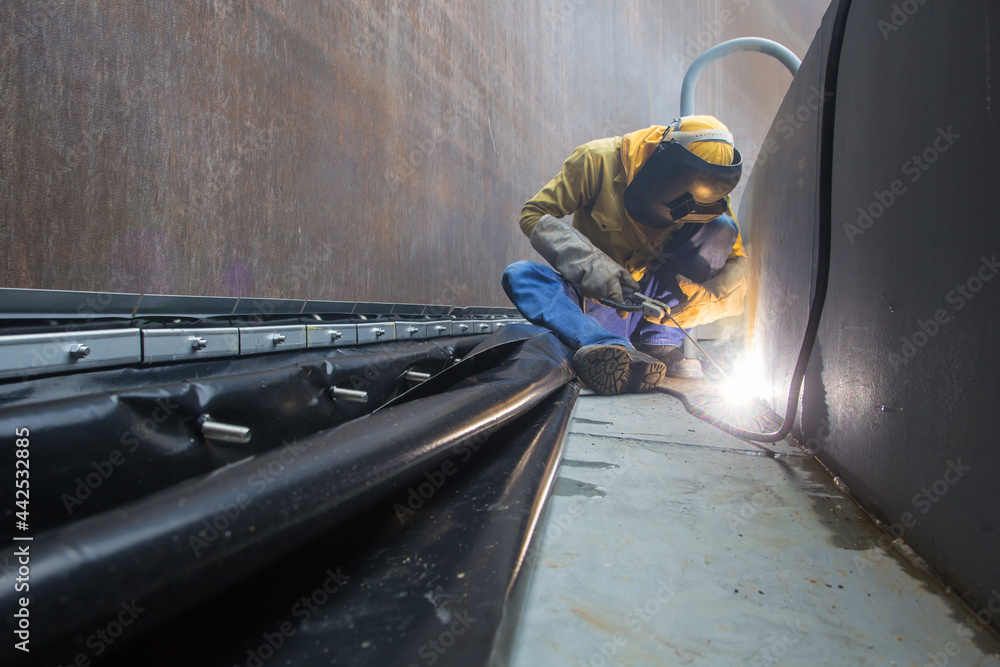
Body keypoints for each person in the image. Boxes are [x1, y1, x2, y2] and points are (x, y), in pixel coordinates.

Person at [502, 115, 748, 395]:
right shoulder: (597, 160)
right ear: (663, 162)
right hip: (599, 301)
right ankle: (604, 344)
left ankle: (660, 345)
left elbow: (738, 264)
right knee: (521, 275)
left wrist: (709, 300)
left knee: (721, 227)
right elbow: (533, 214)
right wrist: (590, 263)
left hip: (657, 308)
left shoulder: (710, 197)